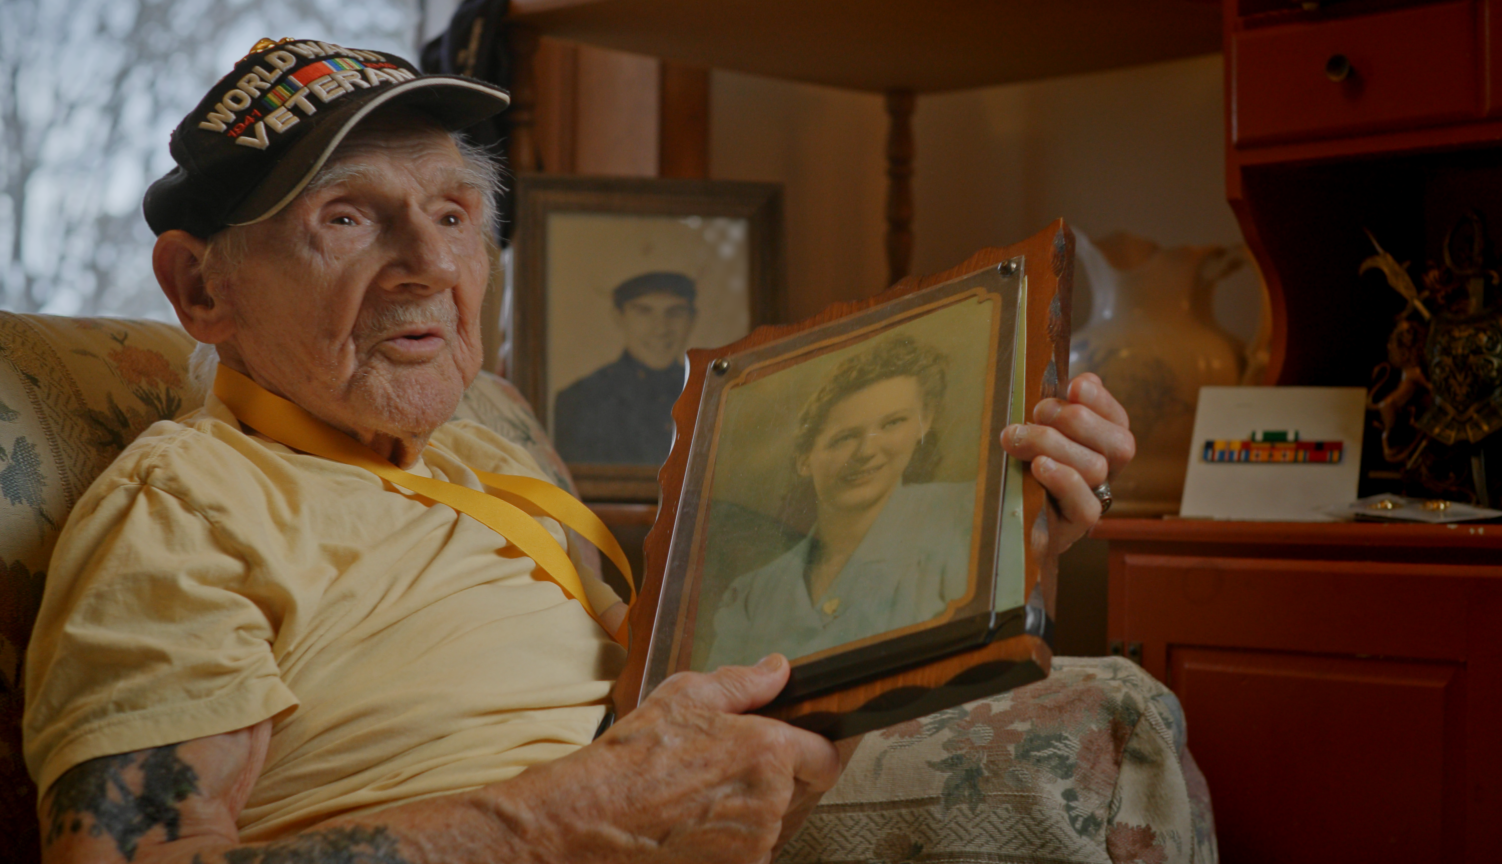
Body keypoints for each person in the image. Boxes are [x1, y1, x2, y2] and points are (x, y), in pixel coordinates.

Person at [23, 39, 1136, 864]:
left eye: (454, 215)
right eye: (347, 219)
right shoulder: (185, 508)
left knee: (1111, 696)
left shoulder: (481, 454)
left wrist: (995, 526)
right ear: (201, 288)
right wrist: (585, 811)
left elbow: (748, 651)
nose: (428, 266)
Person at [706, 334, 975, 668]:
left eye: (893, 423)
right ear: (804, 459)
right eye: (844, 438)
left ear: (925, 422)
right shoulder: (753, 594)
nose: (866, 451)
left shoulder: (968, 517)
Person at [553, 272, 696, 464]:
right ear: (619, 317)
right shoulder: (580, 400)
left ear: (692, 319)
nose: (661, 329)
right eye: (644, 312)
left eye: (675, 312)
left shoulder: (709, 395)